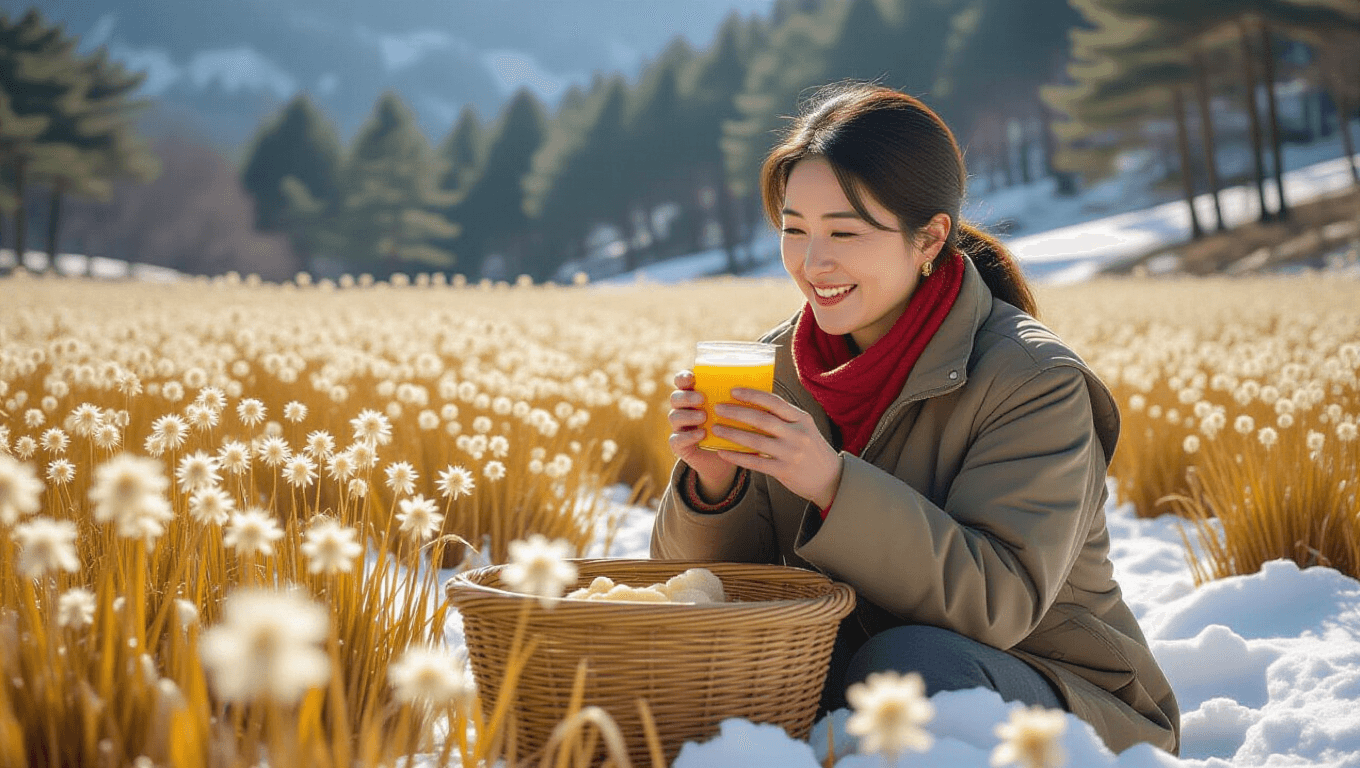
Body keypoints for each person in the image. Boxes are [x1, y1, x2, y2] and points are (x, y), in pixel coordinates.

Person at [650, 81, 1180, 756]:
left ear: (928, 236)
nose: (814, 264)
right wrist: (712, 488)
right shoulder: (773, 366)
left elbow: (999, 604)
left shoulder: (1034, 382)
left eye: (844, 231)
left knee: (905, 671)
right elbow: (702, 601)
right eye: (794, 230)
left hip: (1059, 699)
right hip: (858, 673)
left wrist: (834, 486)